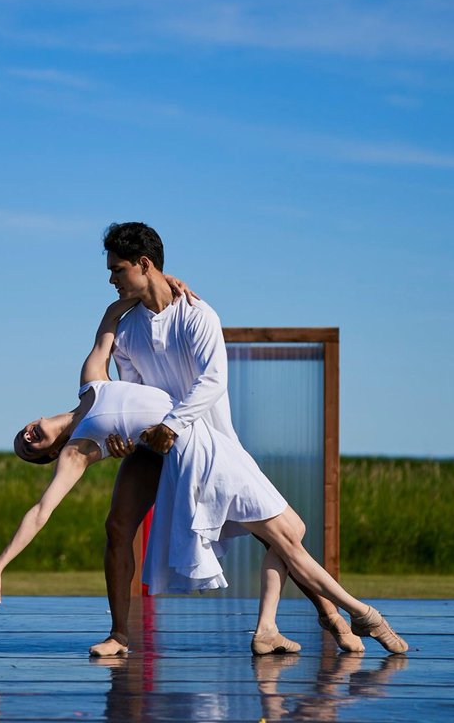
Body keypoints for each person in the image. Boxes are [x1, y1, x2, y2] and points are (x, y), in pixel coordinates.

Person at [0, 300, 409, 658]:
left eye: (22, 435)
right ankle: (358, 614)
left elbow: (111, 315)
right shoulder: (78, 453)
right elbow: (41, 511)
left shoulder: (90, 382)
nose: (27, 439)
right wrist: (0, 564)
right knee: (283, 536)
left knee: (287, 535)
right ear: (50, 455)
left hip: (200, 441)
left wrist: (170, 283)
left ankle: (299, 623)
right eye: (29, 450)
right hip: (184, 454)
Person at [93, 222, 379, 657]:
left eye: (117, 270)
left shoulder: (198, 314)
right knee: (117, 526)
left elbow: (213, 381)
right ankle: (119, 635)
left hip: (208, 443)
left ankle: (333, 619)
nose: (111, 279)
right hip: (154, 444)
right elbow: (133, 394)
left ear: (144, 265)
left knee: (280, 536)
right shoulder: (126, 329)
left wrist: (172, 425)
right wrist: (125, 438)